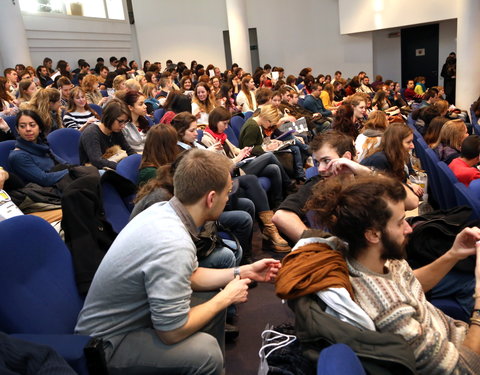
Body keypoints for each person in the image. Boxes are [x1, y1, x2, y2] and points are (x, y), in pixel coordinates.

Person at [75, 149, 281, 374]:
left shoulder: (166, 212)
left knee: (211, 300)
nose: (228, 198)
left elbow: (192, 275)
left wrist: (245, 271)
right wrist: (226, 297)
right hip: (108, 342)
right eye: (228, 192)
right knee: (207, 352)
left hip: (131, 320)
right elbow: (171, 331)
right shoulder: (173, 242)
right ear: (211, 198)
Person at [306, 175, 480, 374]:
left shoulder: (377, 259)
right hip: (464, 357)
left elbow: (409, 284)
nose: (408, 228)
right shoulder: (390, 312)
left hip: (456, 336)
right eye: (400, 222)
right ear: (372, 234)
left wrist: (453, 254)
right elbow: (464, 369)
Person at [272, 130, 419, 242]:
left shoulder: (367, 179)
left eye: (326, 160)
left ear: (346, 157)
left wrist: (363, 170)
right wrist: (322, 245)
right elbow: (281, 216)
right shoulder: (317, 184)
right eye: (317, 162)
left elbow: (411, 201)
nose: (321, 169)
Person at [8, 110, 69, 187]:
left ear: (40, 129)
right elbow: (44, 180)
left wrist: (77, 170)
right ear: (17, 130)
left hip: (61, 183)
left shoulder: (41, 146)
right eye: (22, 126)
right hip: (45, 193)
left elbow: (65, 164)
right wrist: (72, 171)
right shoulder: (18, 156)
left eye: (32, 125)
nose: (28, 129)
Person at [361, 122, 424, 197]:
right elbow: (388, 190)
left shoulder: (395, 156)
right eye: (408, 142)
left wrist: (409, 185)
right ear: (396, 143)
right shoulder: (379, 160)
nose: (412, 146)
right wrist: (409, 187)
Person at [79, 98, 135, 169]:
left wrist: (139, 161)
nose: (123, 126)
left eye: (125, 122)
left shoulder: (115, 130)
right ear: (110, 117)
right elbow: (97, 161)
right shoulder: (91, 132)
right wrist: (123, 167)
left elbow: (128, 150)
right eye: (120, 121)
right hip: (93, 171)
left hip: (111, 166)